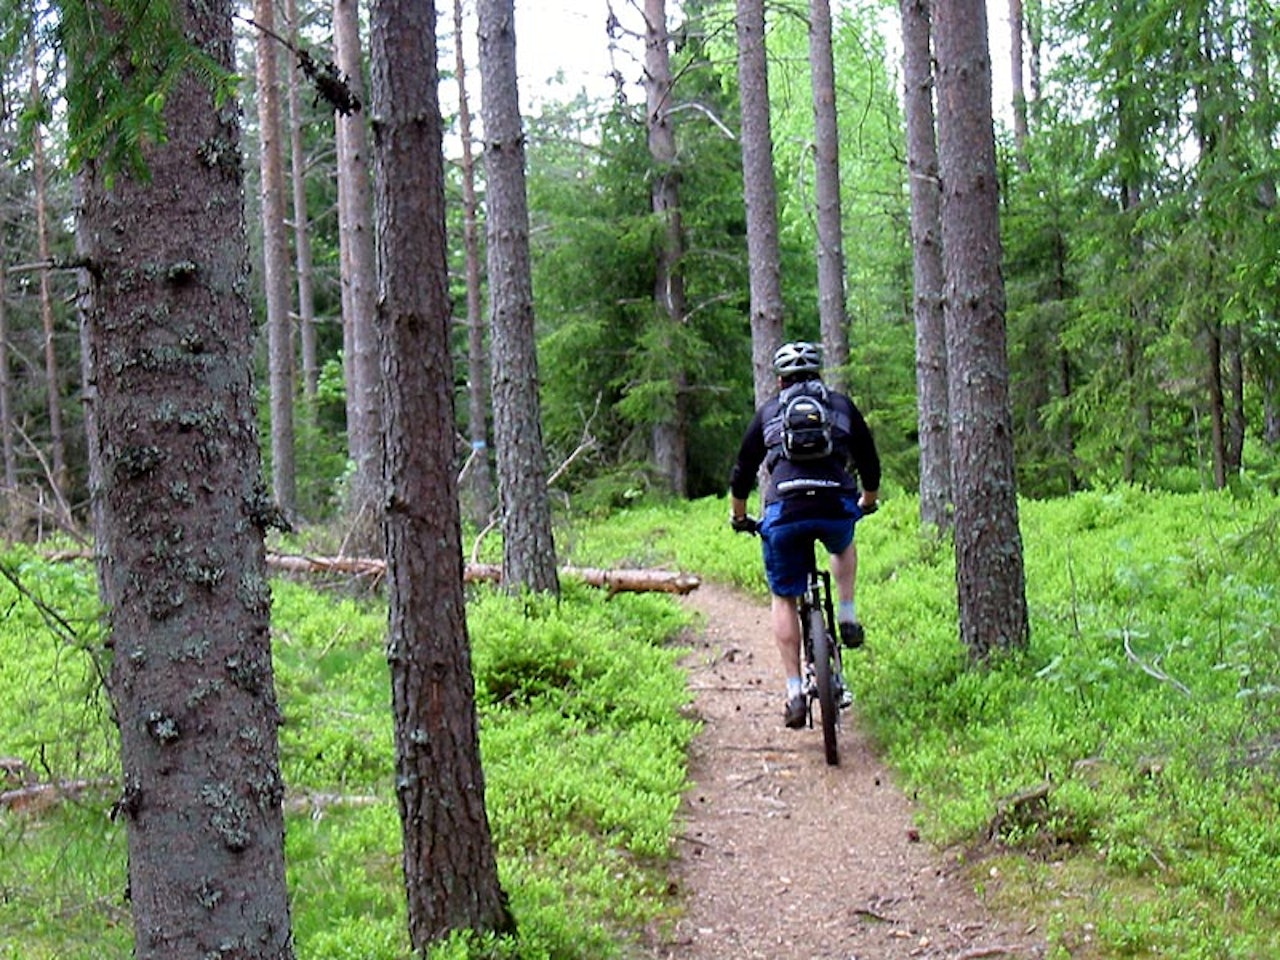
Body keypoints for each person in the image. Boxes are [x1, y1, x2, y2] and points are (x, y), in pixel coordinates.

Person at [727, 341, 881, 729]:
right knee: (843, 542)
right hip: (834, 503)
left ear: (780, 380)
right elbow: (869, 459)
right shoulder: (840, 406)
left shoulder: (769, 414)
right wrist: (867, 501)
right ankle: (846, 614)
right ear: (819, 374)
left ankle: (794, 691)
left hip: (784, 509)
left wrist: (740, 517)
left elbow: (743, 470)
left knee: (784, 596)